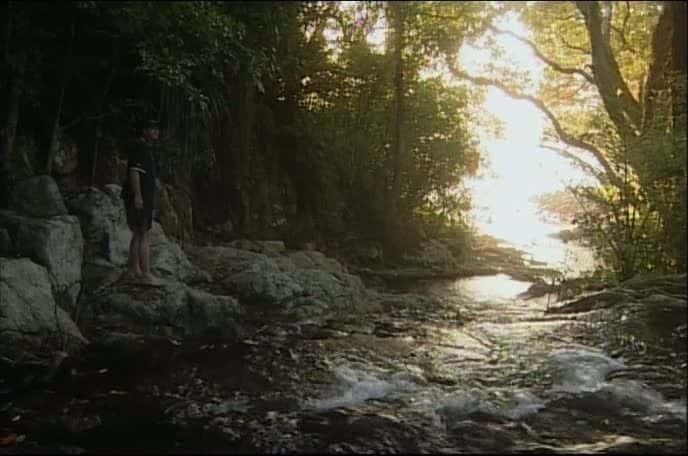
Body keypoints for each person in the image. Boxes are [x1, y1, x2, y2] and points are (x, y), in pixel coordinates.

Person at [121, 119, 161, 286]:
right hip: (139, 198)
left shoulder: (144, 148)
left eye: (157, 129)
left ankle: (133, 270)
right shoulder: (140, 148)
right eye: (152, 128)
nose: (156, 132)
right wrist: (138, 196)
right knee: (144, 233)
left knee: (138, 232)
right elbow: (134, 172)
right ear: (144, 131)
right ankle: (146, 274)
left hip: (141, 198)